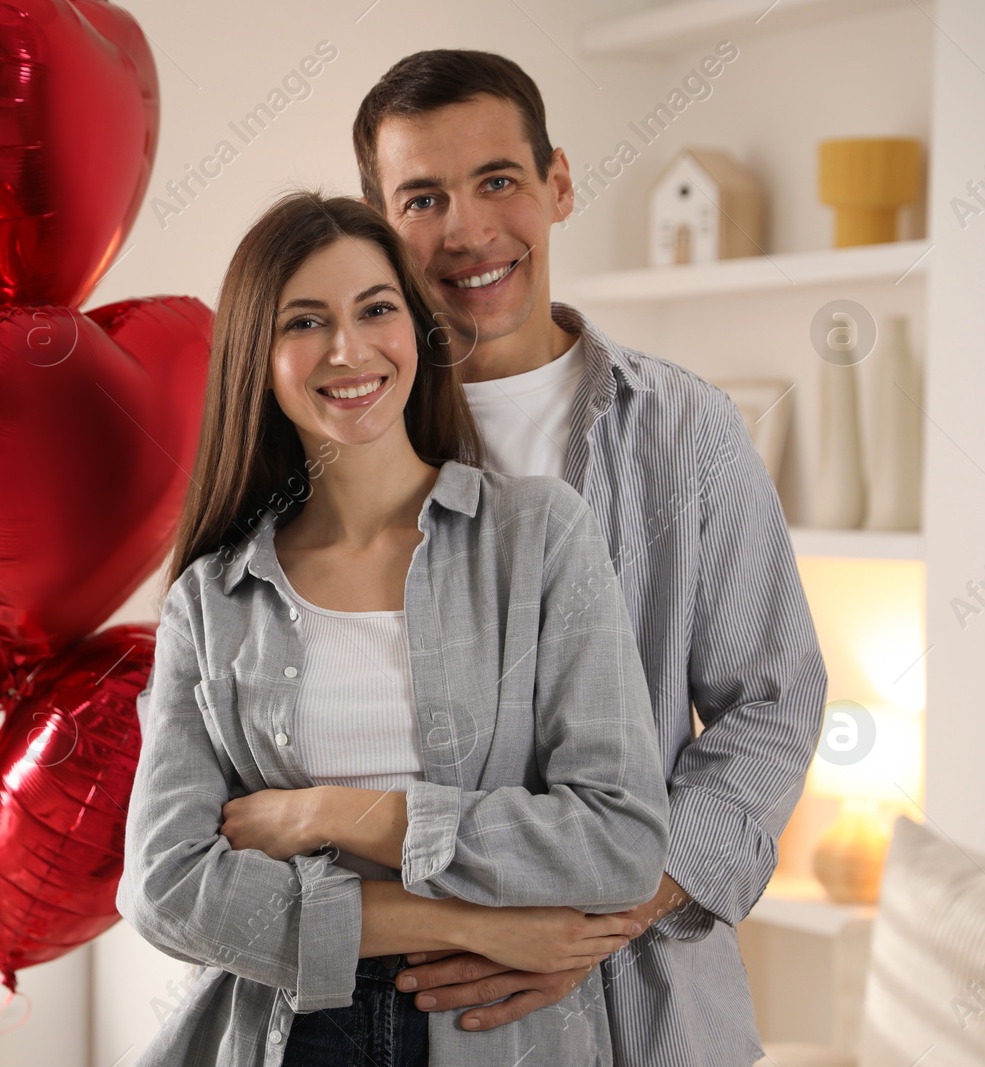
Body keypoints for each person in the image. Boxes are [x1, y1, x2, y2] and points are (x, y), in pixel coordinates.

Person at [115, 190, 673, 1066]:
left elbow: (619, 841)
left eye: (376, 309)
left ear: (416, 329)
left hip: (503, 1035)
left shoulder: (537, 537)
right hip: (296, 1032)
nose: (350, 349)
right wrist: (456, 919)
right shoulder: (211, 601)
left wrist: (331, 813)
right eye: (306, 322)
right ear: (259, 360)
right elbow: (169, 890)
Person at [350, 50, 829, 1066]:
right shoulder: (338, 448)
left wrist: (605, 909)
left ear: (557, 183)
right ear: (377, 224)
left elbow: (771, 702)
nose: (470, 230)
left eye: (497, 182)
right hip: (405, 1016)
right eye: (423, 198)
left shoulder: (684, 431)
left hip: (650, 1014)